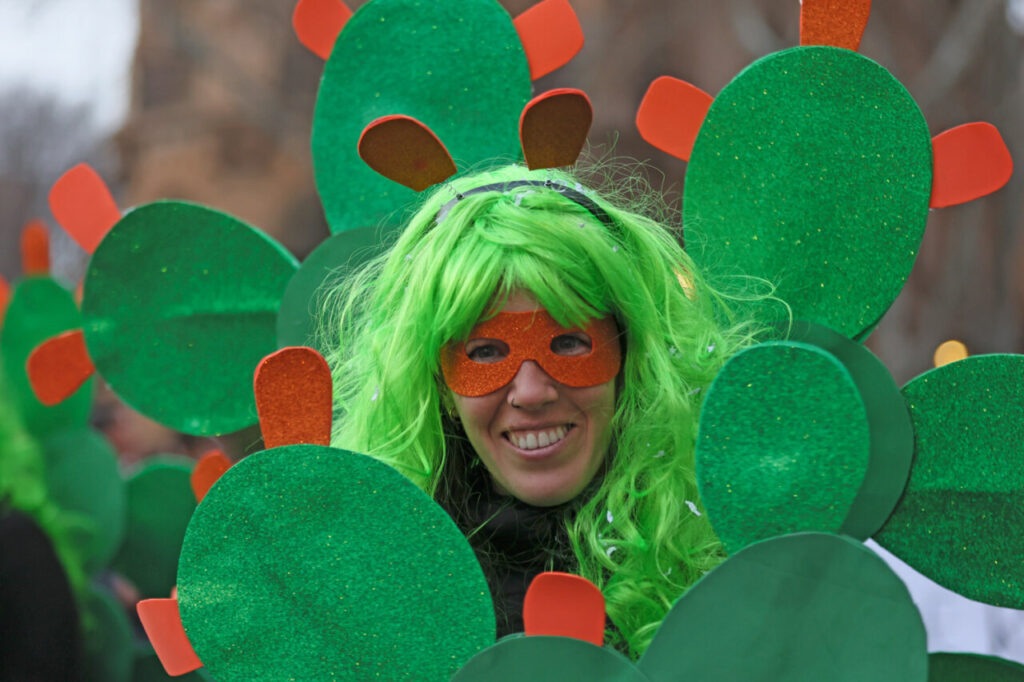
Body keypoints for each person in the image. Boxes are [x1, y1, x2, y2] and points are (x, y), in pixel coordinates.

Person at [324, 163, 767, 657]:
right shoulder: (357, 608)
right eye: (487, 352)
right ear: (437, 383)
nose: (531, 393)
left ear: (632, 359)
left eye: (570, 342)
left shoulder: (747, 576)